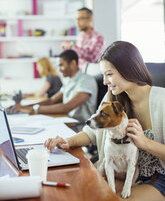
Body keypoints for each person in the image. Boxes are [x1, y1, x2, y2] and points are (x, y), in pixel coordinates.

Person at [44, 41, 165, 201]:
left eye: (109, 74)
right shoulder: (113, 97)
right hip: (119, 172)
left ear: (128, 69)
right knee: (80, 192)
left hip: (157, 178)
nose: (104, 82)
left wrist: (145, 143)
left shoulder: (162, 100)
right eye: (103, 75)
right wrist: (68, 141)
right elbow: (92, 132)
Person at [8, 50, 98, 123]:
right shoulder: (69, 81)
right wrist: (22, 107)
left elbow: (67, 107)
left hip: (79, 127)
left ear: (73, 63)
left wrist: (30, 109)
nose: (59, 69)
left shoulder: (86, 81)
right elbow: (52, 100)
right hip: (67, 121)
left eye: (61, 65)